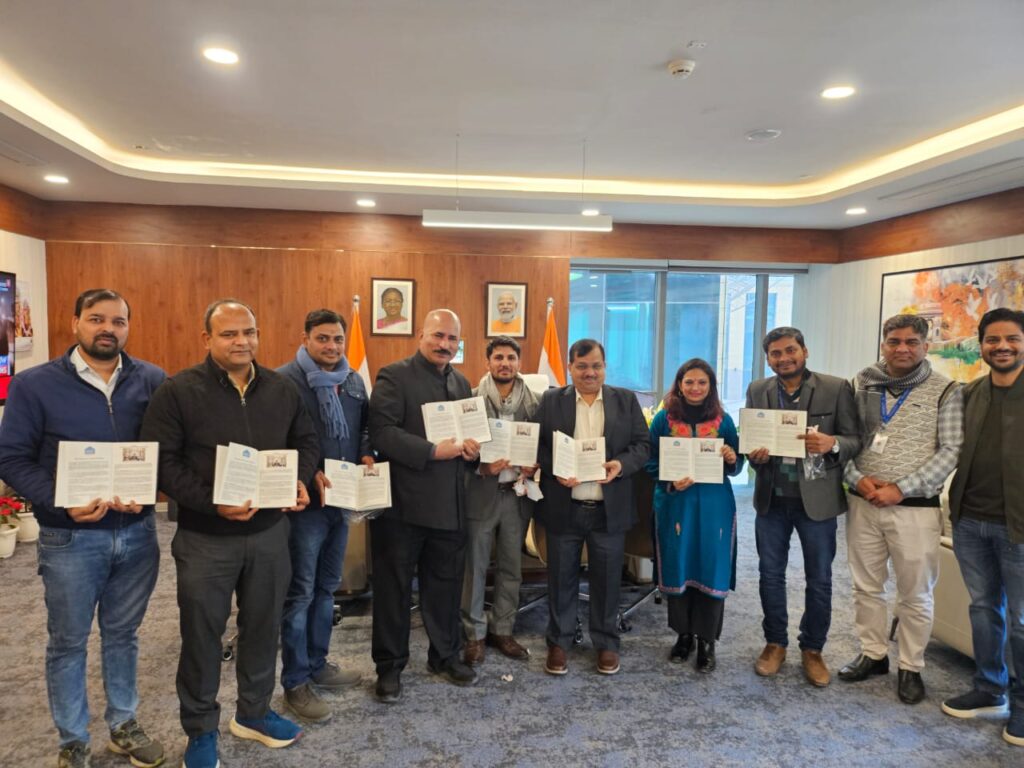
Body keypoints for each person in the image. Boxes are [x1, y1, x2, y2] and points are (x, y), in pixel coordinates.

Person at [140, 299, 319, 768]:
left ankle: (254, 714)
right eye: (229, 334)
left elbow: (306, 441)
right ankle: (201, 731)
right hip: (206, 538)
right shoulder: (178, 391)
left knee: (262, 627)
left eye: (249, 332)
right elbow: (163, 461)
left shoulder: (281, 388)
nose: (242, 341)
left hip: (270, 533)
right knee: (202, 636)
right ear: (207, 339)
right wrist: (210, 502)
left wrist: (300, 478)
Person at [0, 288, 166, 768]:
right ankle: (72, 740)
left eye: (118, 321)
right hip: (69, 538)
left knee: (123, 634)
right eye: (96, 319)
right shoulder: (35, 385)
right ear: (75, 323)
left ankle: (123, 724)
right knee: (68, 642)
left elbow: (169, 448)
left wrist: (154, 486)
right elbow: (11, 457)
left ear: (127, 328)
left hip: (136, 533)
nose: (107, 329)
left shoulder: (153, 380)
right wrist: (60, 500)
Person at [839, 314, 963, 705]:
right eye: (894, 341)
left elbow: (952, 450)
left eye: (911, 342)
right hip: (863, 501)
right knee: (866, 585)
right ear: (884, 344)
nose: (902, 349)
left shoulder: (947, 390)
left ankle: (911, 665)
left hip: (915, 508)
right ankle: (873, 654)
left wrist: (900, 489)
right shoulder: (863, 383)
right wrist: (857, 479)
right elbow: (846, 439)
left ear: (926, 346)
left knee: (915, 593)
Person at [368, 309, 481, 702]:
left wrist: (472, 450)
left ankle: (444, 656)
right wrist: (432, 451)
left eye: (452, 339)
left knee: (445, 587)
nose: (444, 344)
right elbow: (382, 433)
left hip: (450, 505)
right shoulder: (393, 375)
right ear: (421, 335)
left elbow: (467, 438)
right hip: (403, 506)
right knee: (394, 590)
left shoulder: (461, 382)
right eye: (438, 335)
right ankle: (389, 666)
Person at [745, 327, 861, 687]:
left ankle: (813, 649)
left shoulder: (835, 388)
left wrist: (831, 443)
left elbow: (856, 439)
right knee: (770, 575)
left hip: (817, 502)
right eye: (776, 353)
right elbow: (752, 439)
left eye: (790, 350)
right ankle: (774, 643)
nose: (784, 358)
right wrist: (754, 455)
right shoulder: (758, 390)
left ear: (804, 351)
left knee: (820, 578)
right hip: (772, 499)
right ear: (768, 358)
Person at [276, 309, 373, 722]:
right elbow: (276, 438)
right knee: (300, 592)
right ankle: (295, 680)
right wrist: (307, 470)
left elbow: (364, 427)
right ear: (305, 339)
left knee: (327, 588)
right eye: (322, 339)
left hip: (341, 499)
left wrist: (366, 453)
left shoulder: (353, 381)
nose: (331, 347)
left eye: (337, 339)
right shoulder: (283, 381)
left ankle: (318, 663)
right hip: (304, 506)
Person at [535, 338, 650, 676]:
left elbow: (642, 445)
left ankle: (606, 642)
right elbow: (538, 446)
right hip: (564, 506)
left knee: (608, 579)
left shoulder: (625, 400)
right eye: (582, 366)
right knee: (561, 578)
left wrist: (620, 465)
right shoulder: (551, 400)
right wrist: (555, 468)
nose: (590, 373)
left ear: (605, 367)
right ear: (570, 368)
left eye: (596, 366)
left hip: (607, 509)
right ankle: (560, 641)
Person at [942, 307, 1024, 747]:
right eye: (993, 340)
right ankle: (991, 689)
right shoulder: (970, 394)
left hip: (1019, 528)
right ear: (982, 346)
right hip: (970, 520)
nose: (1002, 347)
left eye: (1012, 339)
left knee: (1022, 619)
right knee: (983, 608)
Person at [645, 359, 743, 673]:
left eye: (702, 382)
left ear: (710, 386)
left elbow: (737, 465)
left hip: (714, 504)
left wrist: (731, 457)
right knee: (679, 564)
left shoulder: (723, 421)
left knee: (711, 566)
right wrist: (669, 481)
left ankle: (707, 641)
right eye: (689, 382)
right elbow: (649, 462)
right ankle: (683, 636)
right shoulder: (663, 419)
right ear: (679, 384)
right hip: (676, 503)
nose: (695, 388)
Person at [461, 336, 539, 665]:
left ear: (519, 363)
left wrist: (536, 464)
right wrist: (481, 466)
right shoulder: (471, 400)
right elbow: (459, 450)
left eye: (510, 358)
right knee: (475, 567)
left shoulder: (535, 404)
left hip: (517, 494)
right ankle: (474, 634)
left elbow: (544, 445)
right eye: (498, 357)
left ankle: (503, 630)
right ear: (488, 362)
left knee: (511, 566)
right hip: (481, 492)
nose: (505, 363)